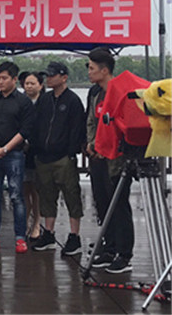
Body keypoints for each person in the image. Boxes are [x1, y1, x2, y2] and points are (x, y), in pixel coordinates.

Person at [85, 48, 134, 273]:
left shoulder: (121, 92)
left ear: (104, 70)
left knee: (119, 206)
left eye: (92, 68)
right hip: (97, 158)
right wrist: (91, 143)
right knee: (103, 204)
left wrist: (105, 147)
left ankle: (124, 254)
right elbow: (91, 121)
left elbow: (122, 126)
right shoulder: (95, 93)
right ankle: (109, 247)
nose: (89, 72)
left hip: (116, 160)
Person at [0, 61, 35, 254]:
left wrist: (6, 148)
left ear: (14, 79)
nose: (1, 82)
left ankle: (20, 238)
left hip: (14, 155)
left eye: (4, 78)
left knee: (16, 196)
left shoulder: (23, 101)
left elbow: (25, 130)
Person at [31, 62, 86, 256]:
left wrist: (71, 152)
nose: (49, 78)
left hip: (64, 157)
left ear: (64, 77)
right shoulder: (44, 99)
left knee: (71, 195)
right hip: (43, 156)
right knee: (46, 196)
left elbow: (77, 128)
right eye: (47, 75)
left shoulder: (73, 100)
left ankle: (74, 236)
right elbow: (36, 124)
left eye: (52, 75)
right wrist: (36, 147)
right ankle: (48, 234)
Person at [19, 71, 45, 241]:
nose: (29, 86)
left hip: (38, 151)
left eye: (32, 83)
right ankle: (25, 223)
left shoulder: (45, 102)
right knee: (24, 189)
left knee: (36, 190)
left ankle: (37, 223)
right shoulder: (20, 101)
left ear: (40, 85)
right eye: (26, 83)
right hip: (21, 150)